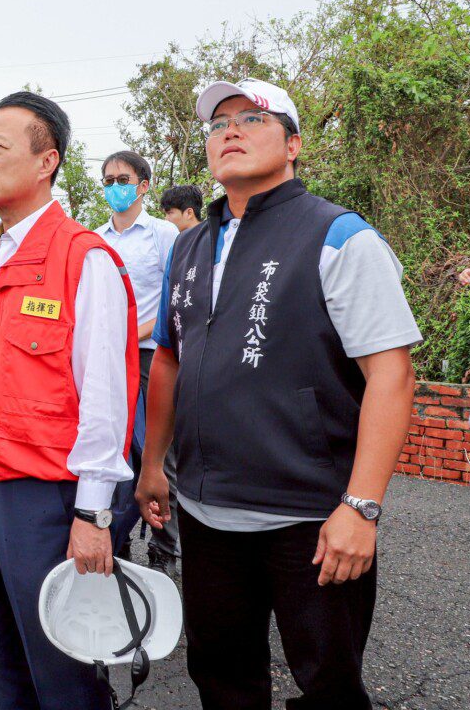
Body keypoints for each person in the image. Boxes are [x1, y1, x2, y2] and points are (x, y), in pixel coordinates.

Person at [136, 78, 421, 709]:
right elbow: (169, 361)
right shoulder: (189, 245)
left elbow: (391, 375)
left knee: (328, 682)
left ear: (293, 144)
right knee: (222, 673)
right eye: (216, 124)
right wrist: (154, 464)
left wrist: (362, 507)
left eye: (249, 118)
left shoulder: (339, 236)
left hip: (310, 515)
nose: (228, 130)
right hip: (207, 509)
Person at [0, 92, 139, 710]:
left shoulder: (84, 258)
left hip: (48, 502)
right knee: (6, 660)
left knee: (63, 669)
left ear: (47, 160)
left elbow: (106, 398)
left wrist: (93, 515)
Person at [95, 152, 180, 575]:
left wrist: (137, 332)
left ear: (143, 185)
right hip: (107, 359)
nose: (115, 187)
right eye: (108, 180)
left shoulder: (165, 235)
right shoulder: (94, 238)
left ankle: (165, 548)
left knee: (157, 453)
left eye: (123, 178)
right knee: (110, 449)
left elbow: (174, 300)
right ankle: (116, 537)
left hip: (150, 356)